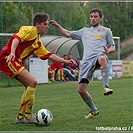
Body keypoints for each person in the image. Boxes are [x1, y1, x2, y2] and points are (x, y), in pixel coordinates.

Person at [0, 13, 74, 124]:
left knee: (30, 86)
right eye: (45, 24)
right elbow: (16, 38)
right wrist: (11, 53)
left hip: (14, 61)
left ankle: (20, 117)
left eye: (48, 24)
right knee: (33, 82)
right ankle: (29, 117)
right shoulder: (30, 30)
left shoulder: (37, 42)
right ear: (37, 24)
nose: (47, 26)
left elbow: (49, 55)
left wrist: (65, 61)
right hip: (8, 58)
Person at [49, 8, 116, 119]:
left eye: (95, 16)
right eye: (91, 16)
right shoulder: (84, 31)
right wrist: (58, 26)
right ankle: (94, 110)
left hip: (98, 57)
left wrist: (109, 50)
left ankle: (106, 87)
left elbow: (113, 46)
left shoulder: (106, 31)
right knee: (81, 90)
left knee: (103, 59)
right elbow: (67, 34)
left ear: (100, 18)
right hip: (85, 63)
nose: (93, 18)